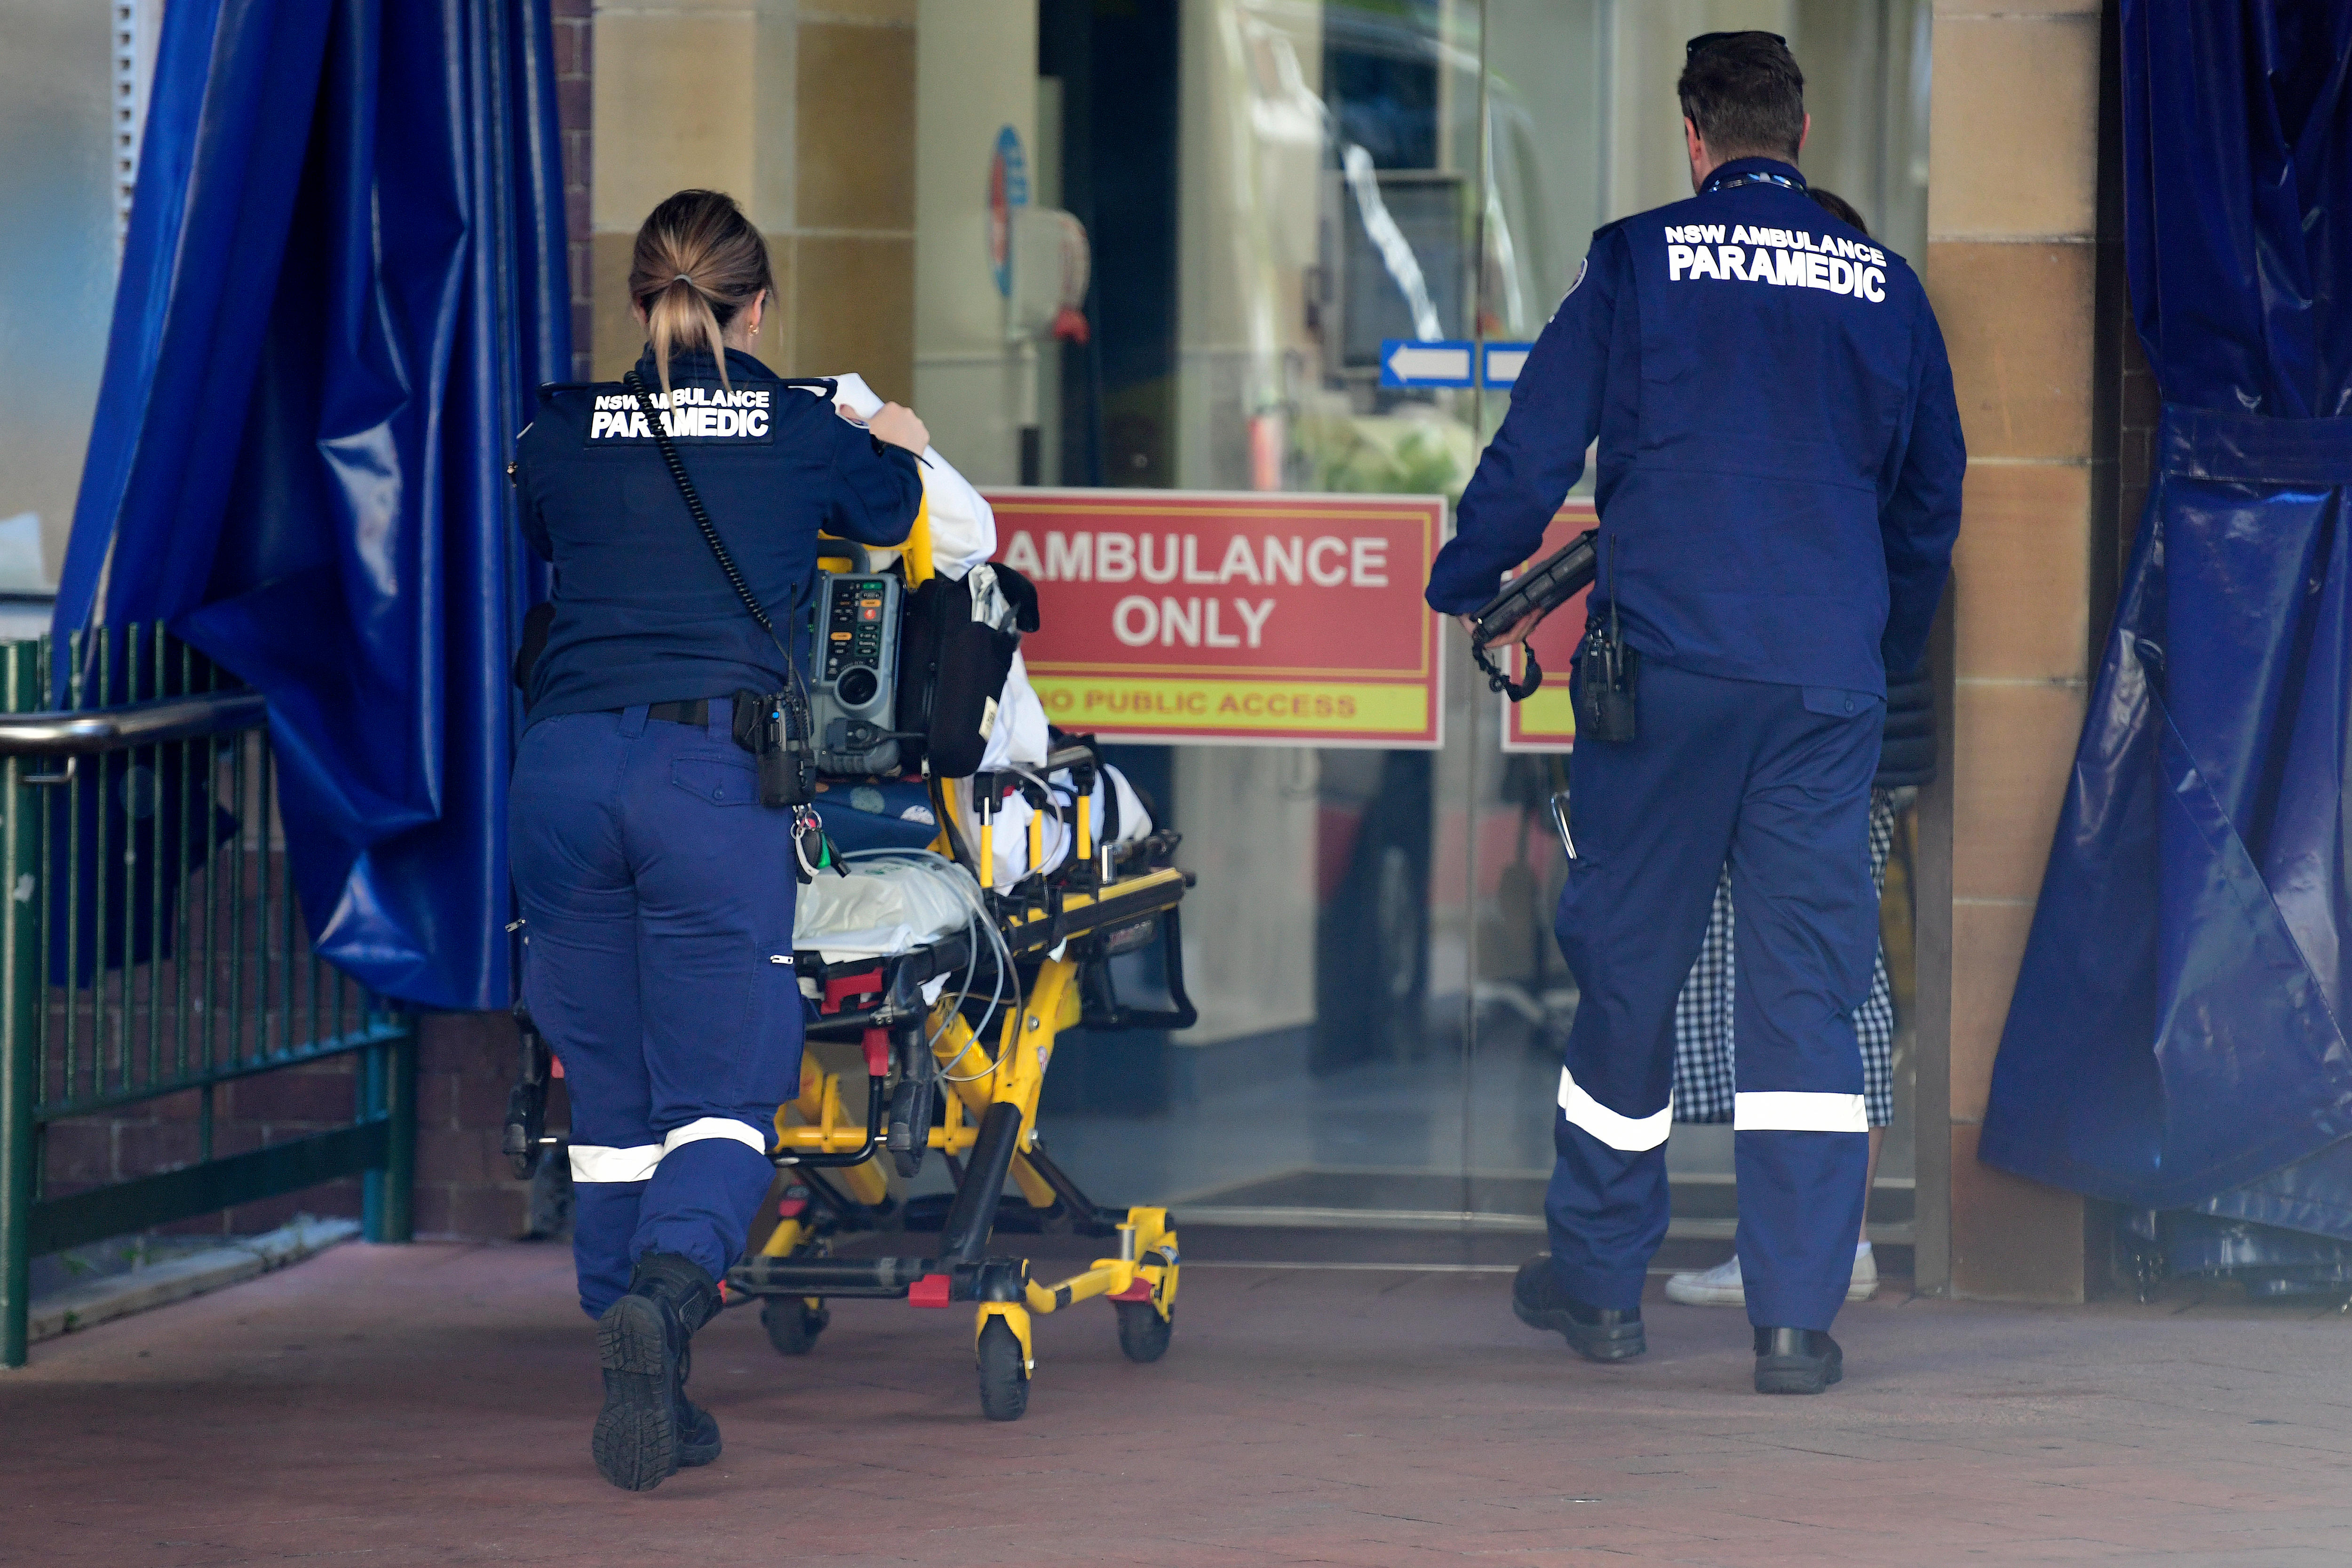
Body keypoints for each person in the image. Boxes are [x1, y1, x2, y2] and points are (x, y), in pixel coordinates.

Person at [1424, 34, 1963, 1394]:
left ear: (1692, 131)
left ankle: (1603, 1288)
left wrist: (1466, 571)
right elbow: (1930, 497)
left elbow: (1538, 442)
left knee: (1629, 968)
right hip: (1823, 683)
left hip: (1663, 678)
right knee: (1806, 990)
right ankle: (1794, 1319)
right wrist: (1875, 645)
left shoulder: (1636, 260)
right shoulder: (1884, 287)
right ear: (1802, 127)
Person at [508, 188, 927, 1488]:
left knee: (613, 1088)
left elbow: (550, 541)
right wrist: (894, 434)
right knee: (727, 1084)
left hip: (564, 768)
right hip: (706, 772)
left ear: (640, 299)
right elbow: (888, 511)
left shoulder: (559, 427)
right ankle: (676, 1292)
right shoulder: (800, 425)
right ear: (759, 308)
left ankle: (642, 1364)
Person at [1663, 189, 1933, 1312]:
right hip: (1853, 722)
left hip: (1825, 731)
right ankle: (1811, 1237)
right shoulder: (1874, 367)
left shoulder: (1813, 394)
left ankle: (1821, 1241)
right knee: (1806, 975)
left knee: (1818, 980)